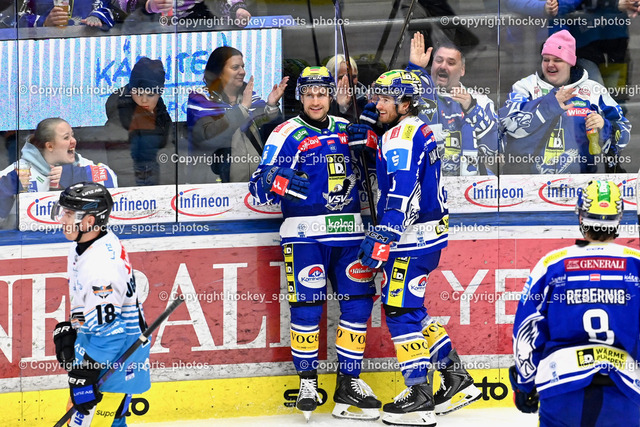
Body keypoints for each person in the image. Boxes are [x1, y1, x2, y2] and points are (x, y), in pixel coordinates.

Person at [248, 66, 381, 422]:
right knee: (307, 308)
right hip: (304, 237)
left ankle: (348, 382)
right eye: (308, 94)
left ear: (330, 95)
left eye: (322, 93)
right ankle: (308, 382)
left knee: (358, 306)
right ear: (300, 97)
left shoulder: (346, 129)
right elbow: (257, 186)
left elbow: (377, 171)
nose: (316, 100)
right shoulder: (285, 133)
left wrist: (371, 142)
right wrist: (279, 178)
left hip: (350, 236)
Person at [354, 69, 480, 426]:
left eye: (385, 99)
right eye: (377, 98)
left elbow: (403, 190)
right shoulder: (415, 128)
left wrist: (386, 232)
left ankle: (419, 394)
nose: (378, 104)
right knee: (412, 308)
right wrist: (372, 134)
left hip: (411, 240)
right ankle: (455, 377)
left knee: (398, 311)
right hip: (426, 237)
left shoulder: (400, 137)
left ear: (406, 103)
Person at [511, 179, 640, 426]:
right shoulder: (636, 263)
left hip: (561, 385)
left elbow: (527, 328)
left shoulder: (552, 264)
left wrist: (524, 384)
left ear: (580, 215)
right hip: (624, 388)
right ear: (619, 218)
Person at [50, 182, 150, 427]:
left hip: (115, 359)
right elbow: (86, 301)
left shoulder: (100, 267)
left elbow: (111, 334)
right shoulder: (87, 246)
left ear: (89, 220)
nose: (62, 219)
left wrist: (87, 373)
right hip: (103, 351)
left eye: (69, 214)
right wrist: (75, 326)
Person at [499, 30, 631, 174]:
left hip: (581, 181)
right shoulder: (525, 87)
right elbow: (508, 125)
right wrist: (549, 105)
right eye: (546, 59)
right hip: (528, 182)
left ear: (570, 62)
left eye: (557, 60)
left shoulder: (593, 90)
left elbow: (623, 133)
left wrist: (605, 127)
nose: (550, 65)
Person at [187, 46, 288, 183]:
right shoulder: (200, 98)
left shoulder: (250, 97)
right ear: (218, 72)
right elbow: (208, 136)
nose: (242, 72)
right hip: (215, 186)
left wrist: (271, 106)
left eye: (243, 67)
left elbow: (273, 135)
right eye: (235, 67)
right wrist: (242, 109)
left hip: (255, 183)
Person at [407, 32, 499, 175]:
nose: (443, 66)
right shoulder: (417, 95)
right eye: (438, 60)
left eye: (450, 63)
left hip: (468, 183)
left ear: (462, 70)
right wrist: (414, 70)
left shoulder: (479, 101)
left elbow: (495, 149)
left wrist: (472, 110)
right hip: (425, 181)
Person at [0, 118, 117, 227]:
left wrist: (75, 176)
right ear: (50, 146)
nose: (74, 141)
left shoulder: (81, 165)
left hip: (76, 239)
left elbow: (112, 184)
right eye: (66, 138)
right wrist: (5, 190)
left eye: (72, 135)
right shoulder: (18, 172)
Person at [105, 57, 172, 186]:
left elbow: (170, 156)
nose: (144, 100)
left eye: (150, 95)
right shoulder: (118, 120)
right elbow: (121, 167)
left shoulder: (161, 113)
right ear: (131, 90)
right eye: (139, 93)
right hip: (136, 192)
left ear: (160, 94)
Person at [138, 0, 251, 27]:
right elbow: (127, 4)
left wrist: (237, 10)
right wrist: (148, 5)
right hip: (155, 27)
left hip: (204, 27)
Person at [326, 54, 368, 123]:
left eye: (353, 77)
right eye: (341, 77)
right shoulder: (322, 100)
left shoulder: (365, 100)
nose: (349, 81)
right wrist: (340, 107)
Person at [18, 0, 115, 29]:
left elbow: (110, 7)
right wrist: (43, 22)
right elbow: (18, 16)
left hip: (85, 45)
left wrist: (97, 16)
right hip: (44, 47)